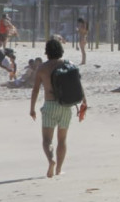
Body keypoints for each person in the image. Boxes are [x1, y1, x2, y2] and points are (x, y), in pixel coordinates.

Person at [30, 38, 87, 179]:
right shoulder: (69, 64)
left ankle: (51, 160)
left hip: (50, 105)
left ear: (47, 52)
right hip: (66, 106)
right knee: (62, 140)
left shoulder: (42, 68)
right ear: (61, 50)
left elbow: (35, 90)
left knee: (47, 140)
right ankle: (59, 169)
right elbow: (78, 85)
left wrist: (32, 108)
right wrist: (84, 102)